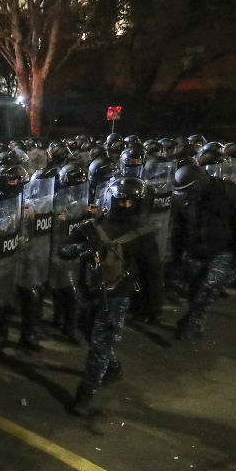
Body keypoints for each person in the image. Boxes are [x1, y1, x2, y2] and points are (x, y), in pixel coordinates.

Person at [64, 176, 164, 417]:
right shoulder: (92, 227)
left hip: (117, 296)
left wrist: (154, 305)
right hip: (90, 292)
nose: (126, 205)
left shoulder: (141, 234)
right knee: (90, 335)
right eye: (121, 201)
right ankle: (114, 366)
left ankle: (85, 394)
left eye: (131, 202)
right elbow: (63, 249)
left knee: (99, 346)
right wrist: (82, 249)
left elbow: (152, 272)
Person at [170, 161, 236, 340]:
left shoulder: (229, 193)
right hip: (195, 250)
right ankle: (194, 320)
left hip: (223, 251)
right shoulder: (185, 198)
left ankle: (192, 322)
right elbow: (178, 229)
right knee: (194, 290)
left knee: (207, 290)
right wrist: (176, 259)